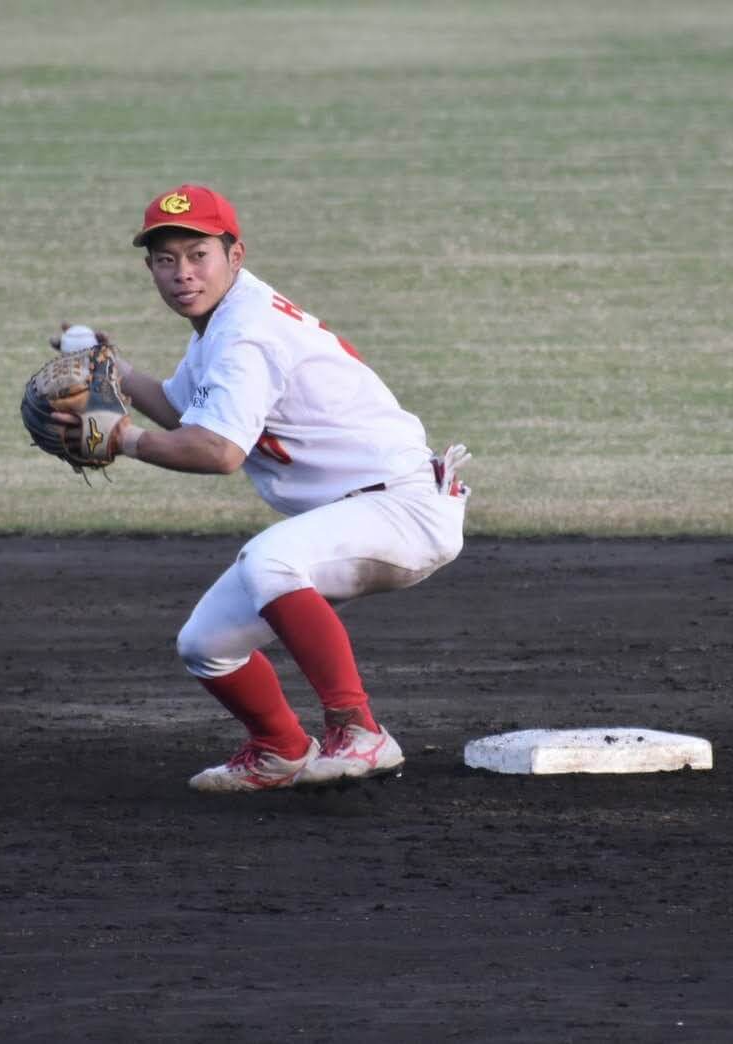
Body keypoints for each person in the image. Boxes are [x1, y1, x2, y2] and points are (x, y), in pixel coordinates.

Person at [58, 184, 470, 793]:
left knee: (269, 560)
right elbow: (184, 413)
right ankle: (280, 749)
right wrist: (112, 370)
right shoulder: (223, 323)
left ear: (235, 255)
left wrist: (123, 439)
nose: (183, 273)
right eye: (166, 260)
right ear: (150, 269)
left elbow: (218, 452)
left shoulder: (246, 333)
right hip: (361, 512)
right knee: (207, 644)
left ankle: (360, 732)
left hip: (400, 507)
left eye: (198, 255)